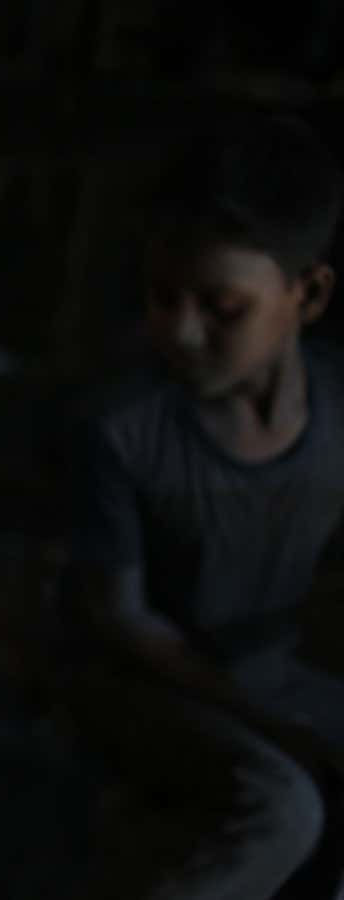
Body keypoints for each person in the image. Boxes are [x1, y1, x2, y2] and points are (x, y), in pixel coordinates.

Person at [66, 115, 344, 898]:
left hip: (270, 670)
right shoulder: (123, 429)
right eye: (161, 298)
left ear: (308, 293)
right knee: (283, 807)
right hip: (140, 685)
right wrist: (275, 725)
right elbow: (124, 621)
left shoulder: (337, 409)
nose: (181, 332)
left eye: (222, 308)